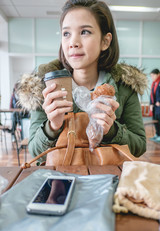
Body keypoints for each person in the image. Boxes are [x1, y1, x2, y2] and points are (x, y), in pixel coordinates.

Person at [18, 0, 147, 165]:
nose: (73, 42)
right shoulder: (46, 88)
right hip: (61, 183)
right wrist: (52, 126)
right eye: (66, 34)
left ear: (105, 41)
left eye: (85, 32)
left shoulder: (124, 87)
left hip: (109, 181)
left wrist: (111, 130)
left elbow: (139, 146)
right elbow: (36, 152)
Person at [149, 68, 160, 142]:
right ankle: (157, 134)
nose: (152, 77)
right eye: (151, 76)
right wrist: (151, 104)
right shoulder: (154, 83)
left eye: (153, 75)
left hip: (159, 106)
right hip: (155, 106)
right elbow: (151, 95)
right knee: (155, 120)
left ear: (158, 74)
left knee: (159, 120)